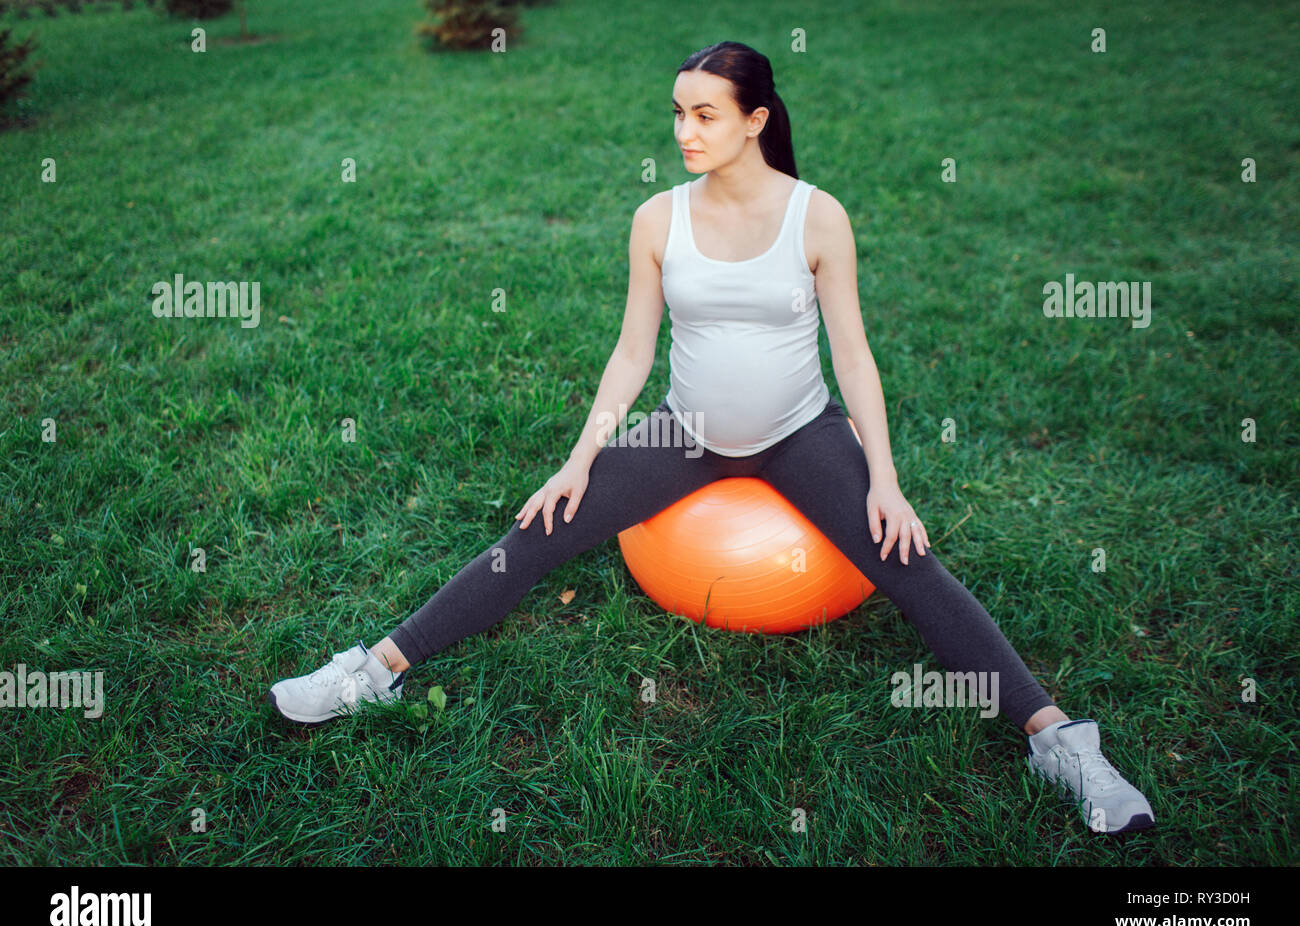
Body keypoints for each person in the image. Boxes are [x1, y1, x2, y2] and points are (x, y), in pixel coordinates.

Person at [268, 41, 1155, 835]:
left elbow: (853, 353)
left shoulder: (818, 216)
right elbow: (630, 351)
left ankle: (1061, 741)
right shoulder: (658, 219)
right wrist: (578, 460)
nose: (686, 132)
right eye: (679, 114)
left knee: (909, 563)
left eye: (705, 115)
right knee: (534, 536)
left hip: (799, 433)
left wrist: (885, 478)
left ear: (754, 120)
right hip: (685, 434)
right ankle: (371, 670)